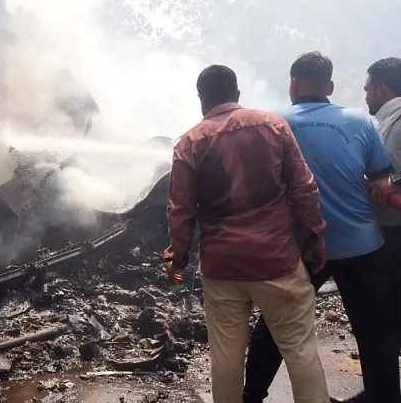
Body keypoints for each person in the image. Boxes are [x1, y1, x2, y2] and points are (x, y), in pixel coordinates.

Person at [166, 64, 329, 403]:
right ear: (237, 94)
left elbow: (180, 209)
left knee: (226, 357)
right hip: (277, 262)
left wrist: (177, 257)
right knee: (300, 350)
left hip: (222, 267)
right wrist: (314, 240)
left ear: (201, 99)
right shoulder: (274, 126)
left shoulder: (189, 142)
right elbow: (304, 190)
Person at [243, 52, 400, 403]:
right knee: (375, 329)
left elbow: (259, 184)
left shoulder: (272, 123)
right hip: (361, 243)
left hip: (299, 245)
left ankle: (251, 395)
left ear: (292, 84)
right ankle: (384, 396)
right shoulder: (359, 122)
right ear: (330, 87)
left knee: (275, 322)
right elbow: (379, 176)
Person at [364, 56, 401, 351]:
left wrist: (395, 183)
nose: (365, 96)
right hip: (387, 231)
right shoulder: (387, 121)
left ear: (382, 89)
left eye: (367, 89)